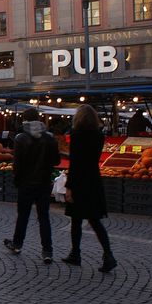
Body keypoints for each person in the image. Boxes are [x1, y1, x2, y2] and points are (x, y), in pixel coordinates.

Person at [62, 105, 116, 273]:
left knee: (76, 220)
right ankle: (108, 255)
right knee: (94, 220)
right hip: (93, 179)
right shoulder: (99, 136)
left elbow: (76, 162)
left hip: (80, 181)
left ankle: (76, 253)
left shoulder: (77, 136)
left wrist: (69, 186)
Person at [4, 108, 61, 263]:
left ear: (25, 121)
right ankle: (47, 250)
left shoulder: (21, 138)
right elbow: (56, 161)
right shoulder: (50, 138)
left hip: (26, 182)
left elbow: (18, 164)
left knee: (23, 215)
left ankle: (17, 244)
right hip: (43, 182)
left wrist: (17, 179)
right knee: (44, 217)